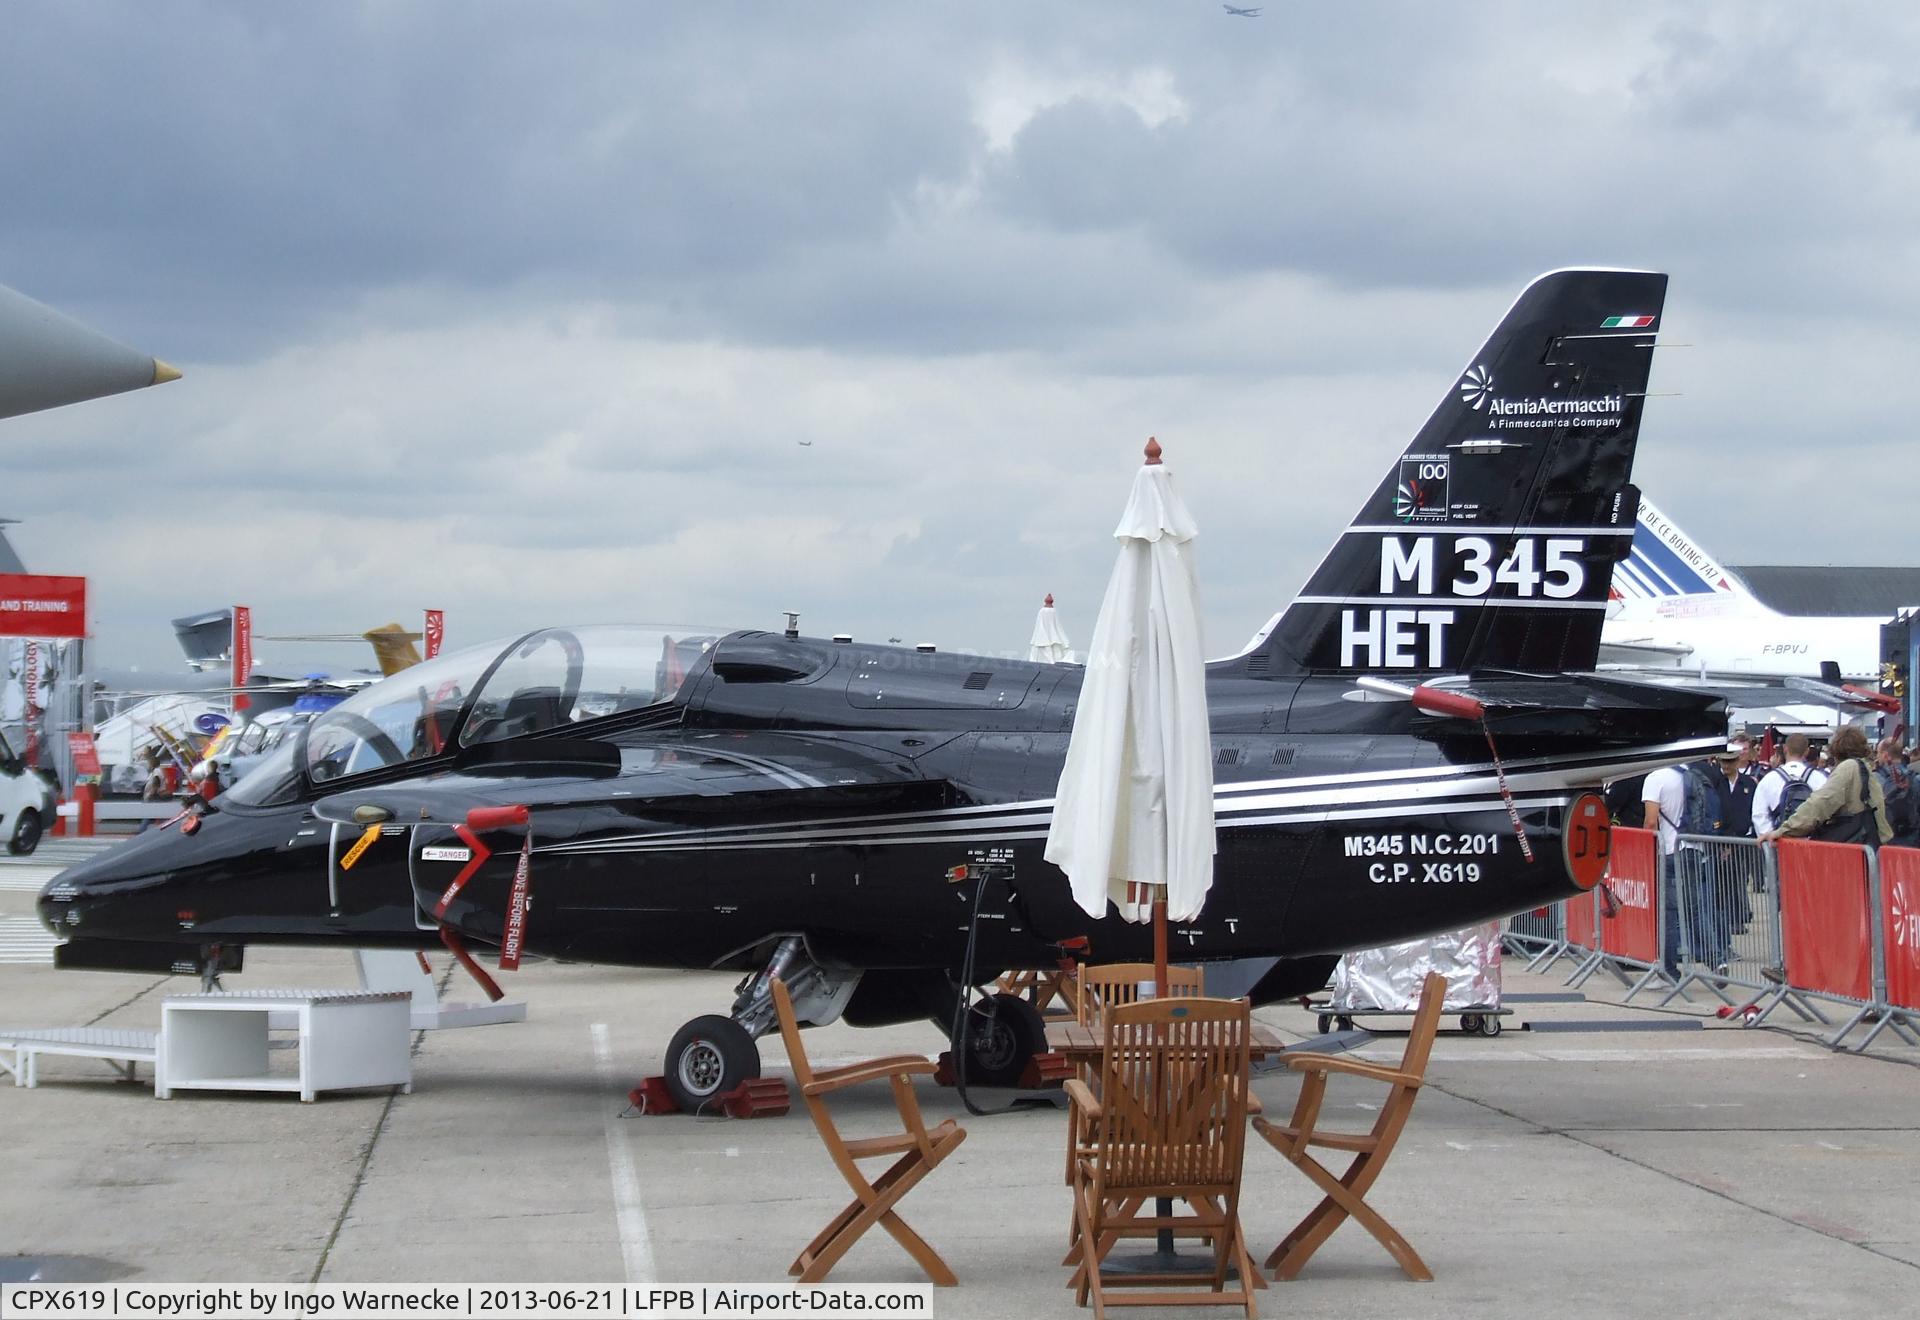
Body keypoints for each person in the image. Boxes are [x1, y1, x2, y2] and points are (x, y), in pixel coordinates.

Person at [1760, 725, 1892, 847]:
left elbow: (1820, 803)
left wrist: (1784, 830)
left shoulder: (1848, 768)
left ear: (1836, 748)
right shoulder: (1866, 768)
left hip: (1854, 846)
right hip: (1873, 843)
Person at [1752, 733, 1827, 837]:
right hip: (1812, 844)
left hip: (1779, 842)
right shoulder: (1819, 778)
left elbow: (1759, 814)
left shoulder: (1769, 778)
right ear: (1807, 751)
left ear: (1785, 749)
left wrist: (1770, 838)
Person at [1873, 736, 1917, 848]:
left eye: (1878, 753)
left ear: (1885, 755)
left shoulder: (1877, 778)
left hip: (1888, 839)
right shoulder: (1914, 778)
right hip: (1912, 837)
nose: (1877, 757)